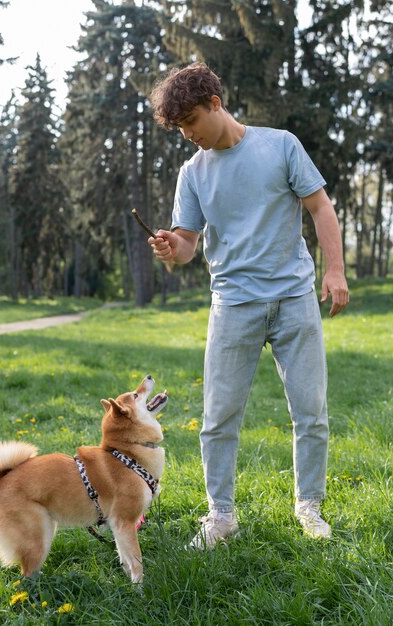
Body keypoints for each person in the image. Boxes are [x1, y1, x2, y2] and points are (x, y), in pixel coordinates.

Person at [148, 62, 349, 549]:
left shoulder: (280, 145)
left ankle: (310, 506)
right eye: (179, 129)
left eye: (191, 122)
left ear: (215, 104)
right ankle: (221, 515)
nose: (188, 135)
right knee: (218, 418)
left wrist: (335, 270)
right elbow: (189, 243)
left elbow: (321, 207)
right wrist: (173, 250)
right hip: (233, 305)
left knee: (311, 413)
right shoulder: (192, 173)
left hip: (294, 299)